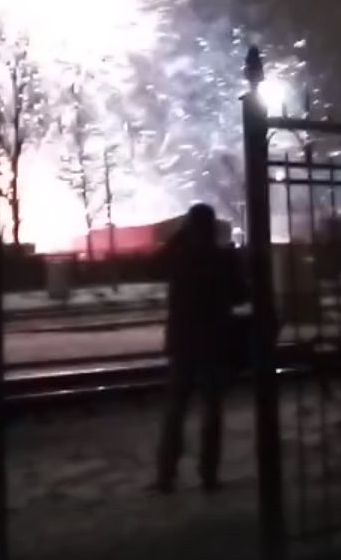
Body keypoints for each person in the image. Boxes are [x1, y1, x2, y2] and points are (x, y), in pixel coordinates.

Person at [153, 203, 248, 493]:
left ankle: (166, 476)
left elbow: (153, 267)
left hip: (182, 344)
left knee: (175, 411)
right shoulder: (222, 259)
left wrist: (177, 238)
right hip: (214, 343)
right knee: (211, 412)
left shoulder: (178, 258)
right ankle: (209, 475)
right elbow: (240, 295)